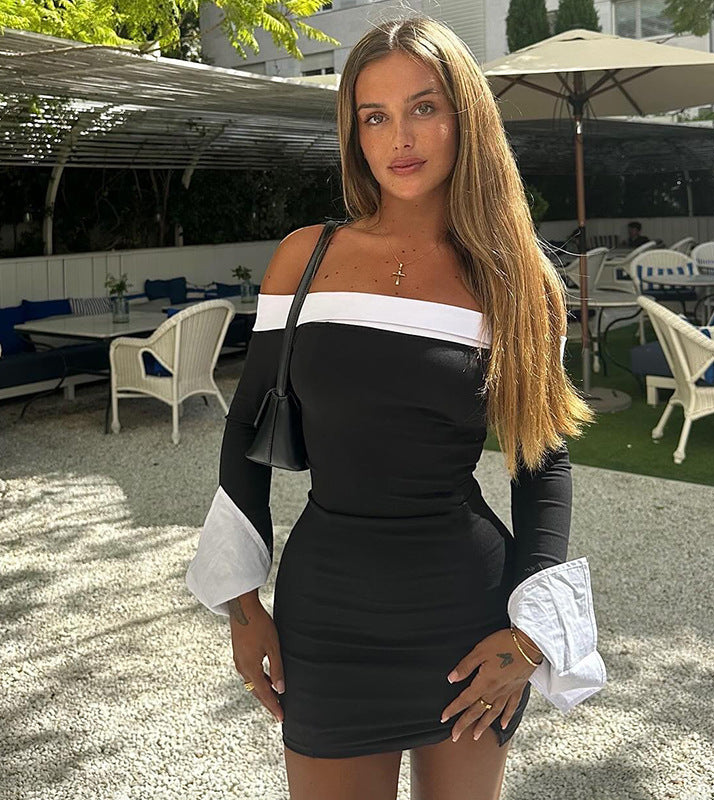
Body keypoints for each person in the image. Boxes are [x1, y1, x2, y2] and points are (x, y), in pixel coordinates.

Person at [185, 15, 606, 800]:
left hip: (466, 616)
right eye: (374, 116)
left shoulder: (519, 282)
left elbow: (543, 462)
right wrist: (242, 607)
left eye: (424, 107)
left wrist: (529, 636)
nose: (400, 138)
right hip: (326, 619)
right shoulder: (305, 259)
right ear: (354, 132)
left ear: (465, 117)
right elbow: (245, 428)